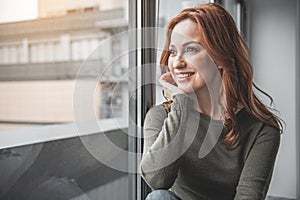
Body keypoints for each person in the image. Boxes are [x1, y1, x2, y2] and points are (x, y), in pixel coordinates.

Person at [139, 3, 283, 200]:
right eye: (173, 52)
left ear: (221, 57)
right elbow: (157, 180)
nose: (177, 63)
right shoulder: (162, 116)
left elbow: (248, 196)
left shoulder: (262, 129)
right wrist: (181, 104)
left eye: (190, 49)